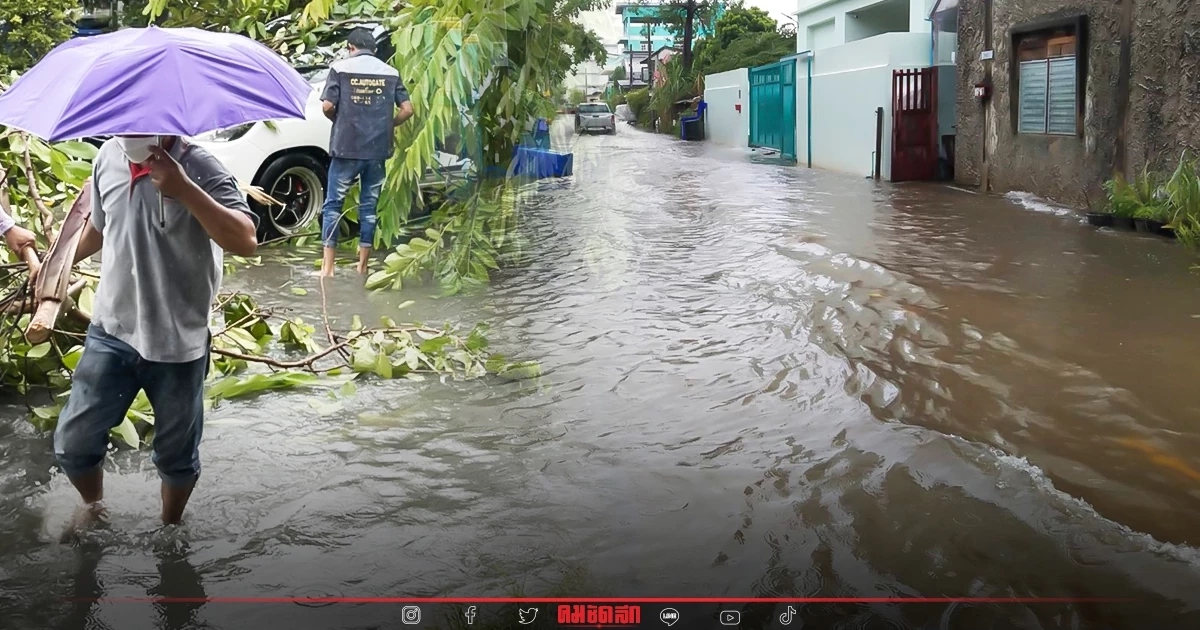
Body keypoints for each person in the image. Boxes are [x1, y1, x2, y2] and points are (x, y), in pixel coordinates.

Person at [54, 134, 258, 530]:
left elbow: (246, 241)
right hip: (112, 328)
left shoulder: (200, 165)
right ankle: (93, 508)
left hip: (178, 341)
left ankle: (169, 529)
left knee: (176, 457)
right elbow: (98, 228)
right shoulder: (107, 157)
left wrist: (185, 189)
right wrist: (57, 262)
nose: (129, 132)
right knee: (73, 443)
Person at [319, 27, 414, 277]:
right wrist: (388, 124)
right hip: (377, 150)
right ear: (373, 49)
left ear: (351, 48)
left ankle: (327, 269)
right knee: (369, 208)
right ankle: (362, 267)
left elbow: (328, 105)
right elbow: (407, 109)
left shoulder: (340, 69)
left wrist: (338, 119)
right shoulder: (391, 73)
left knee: (333, 206)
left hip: (346, 148)